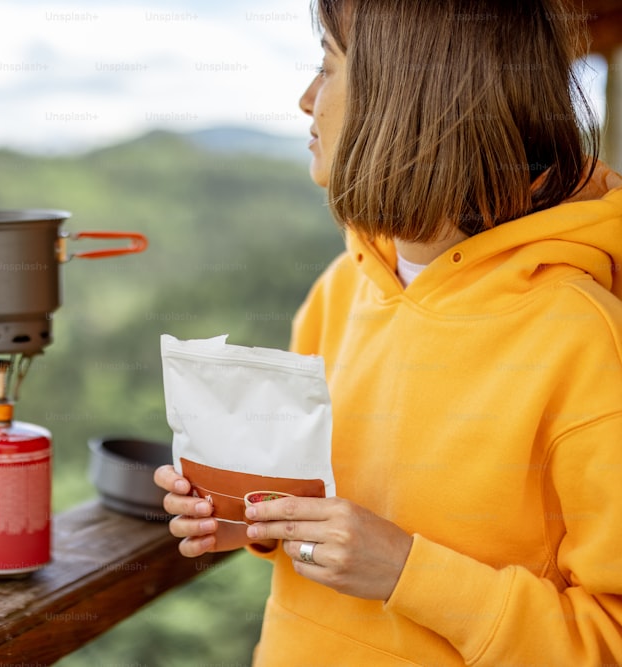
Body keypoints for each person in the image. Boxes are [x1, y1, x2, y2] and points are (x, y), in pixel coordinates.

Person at [154, 0, 622, 664]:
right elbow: (321, 524)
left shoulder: (585, 340)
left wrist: (409, 572)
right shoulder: (340, 289)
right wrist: (243, 514)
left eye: (329, 66)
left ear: (407, 95)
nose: (306, 98)